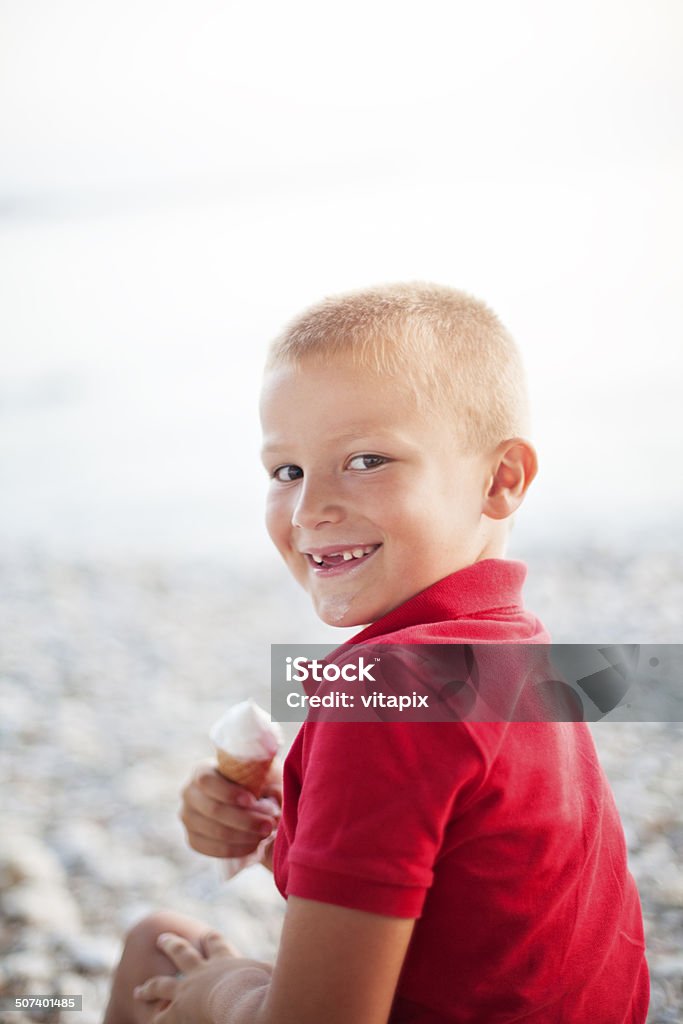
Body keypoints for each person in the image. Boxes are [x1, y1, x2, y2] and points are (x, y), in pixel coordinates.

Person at [104, 283, 649, 1023]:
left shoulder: (380, 697)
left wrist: (220, 994)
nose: (309, 509)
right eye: (286, 471)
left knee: (155, 952)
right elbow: (453, 887)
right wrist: (283, 824)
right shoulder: (516, 657)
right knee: (169, 938)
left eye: (365, 459)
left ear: (500, 479)